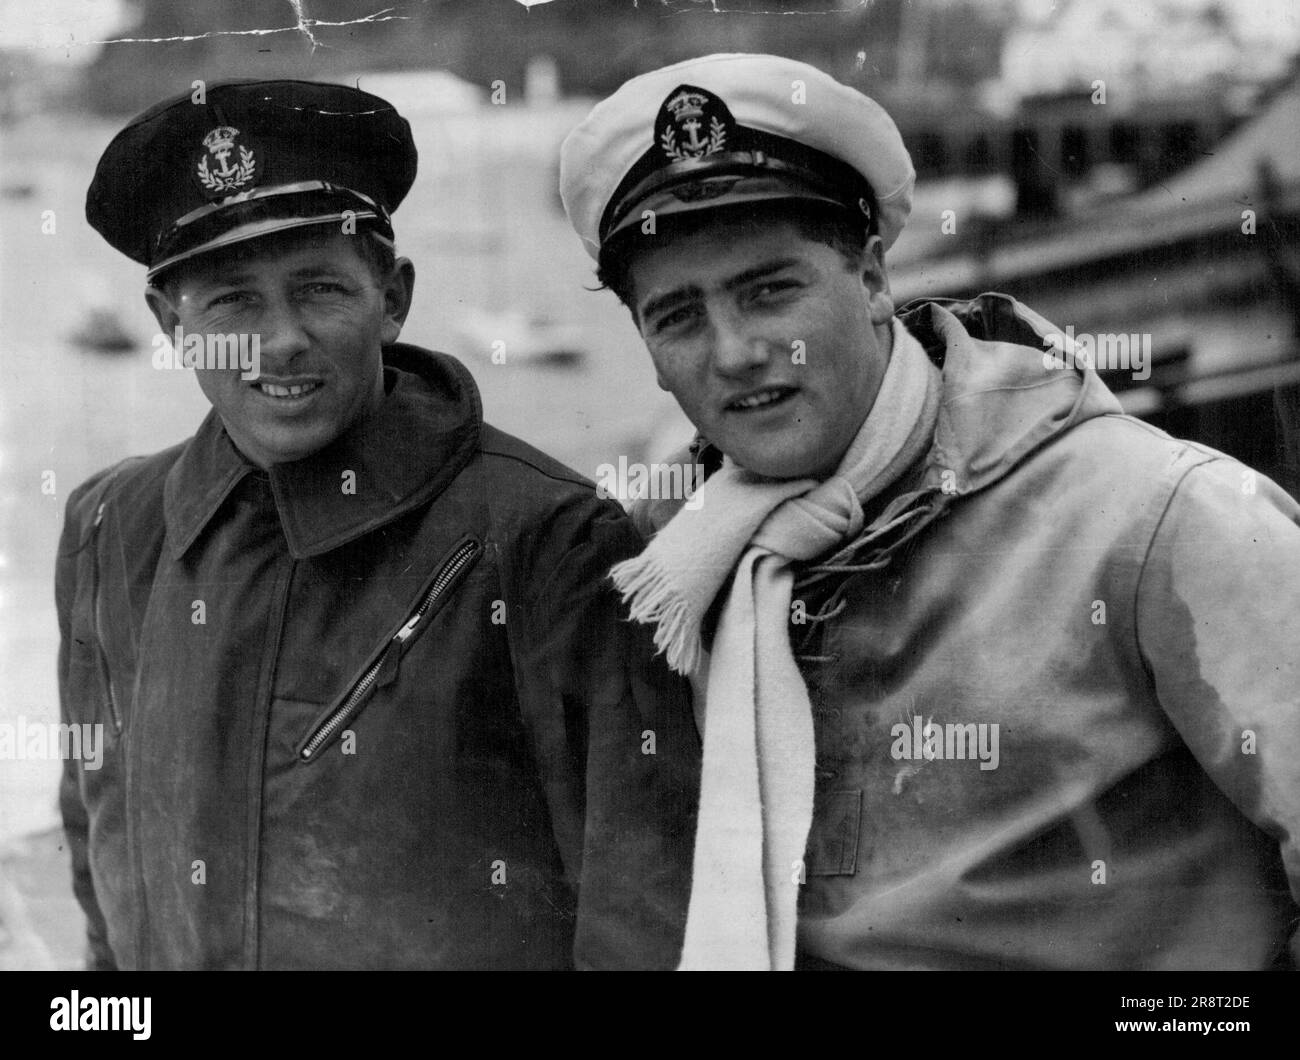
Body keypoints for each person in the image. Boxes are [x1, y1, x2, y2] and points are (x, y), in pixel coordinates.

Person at [559, 52, 1300, 971]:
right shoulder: (675, 564)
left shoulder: (1157, 518)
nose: (736, 351)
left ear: (872, 278)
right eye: (678, 316)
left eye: (769, 291)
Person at [56, 79, 698, 970]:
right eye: (231, 302)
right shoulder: (107, 528)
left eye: (320, 288)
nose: (280, 340)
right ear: (172, 325)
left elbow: (642, 915)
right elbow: (99, 845)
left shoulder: (549, 540)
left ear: (391, 297)